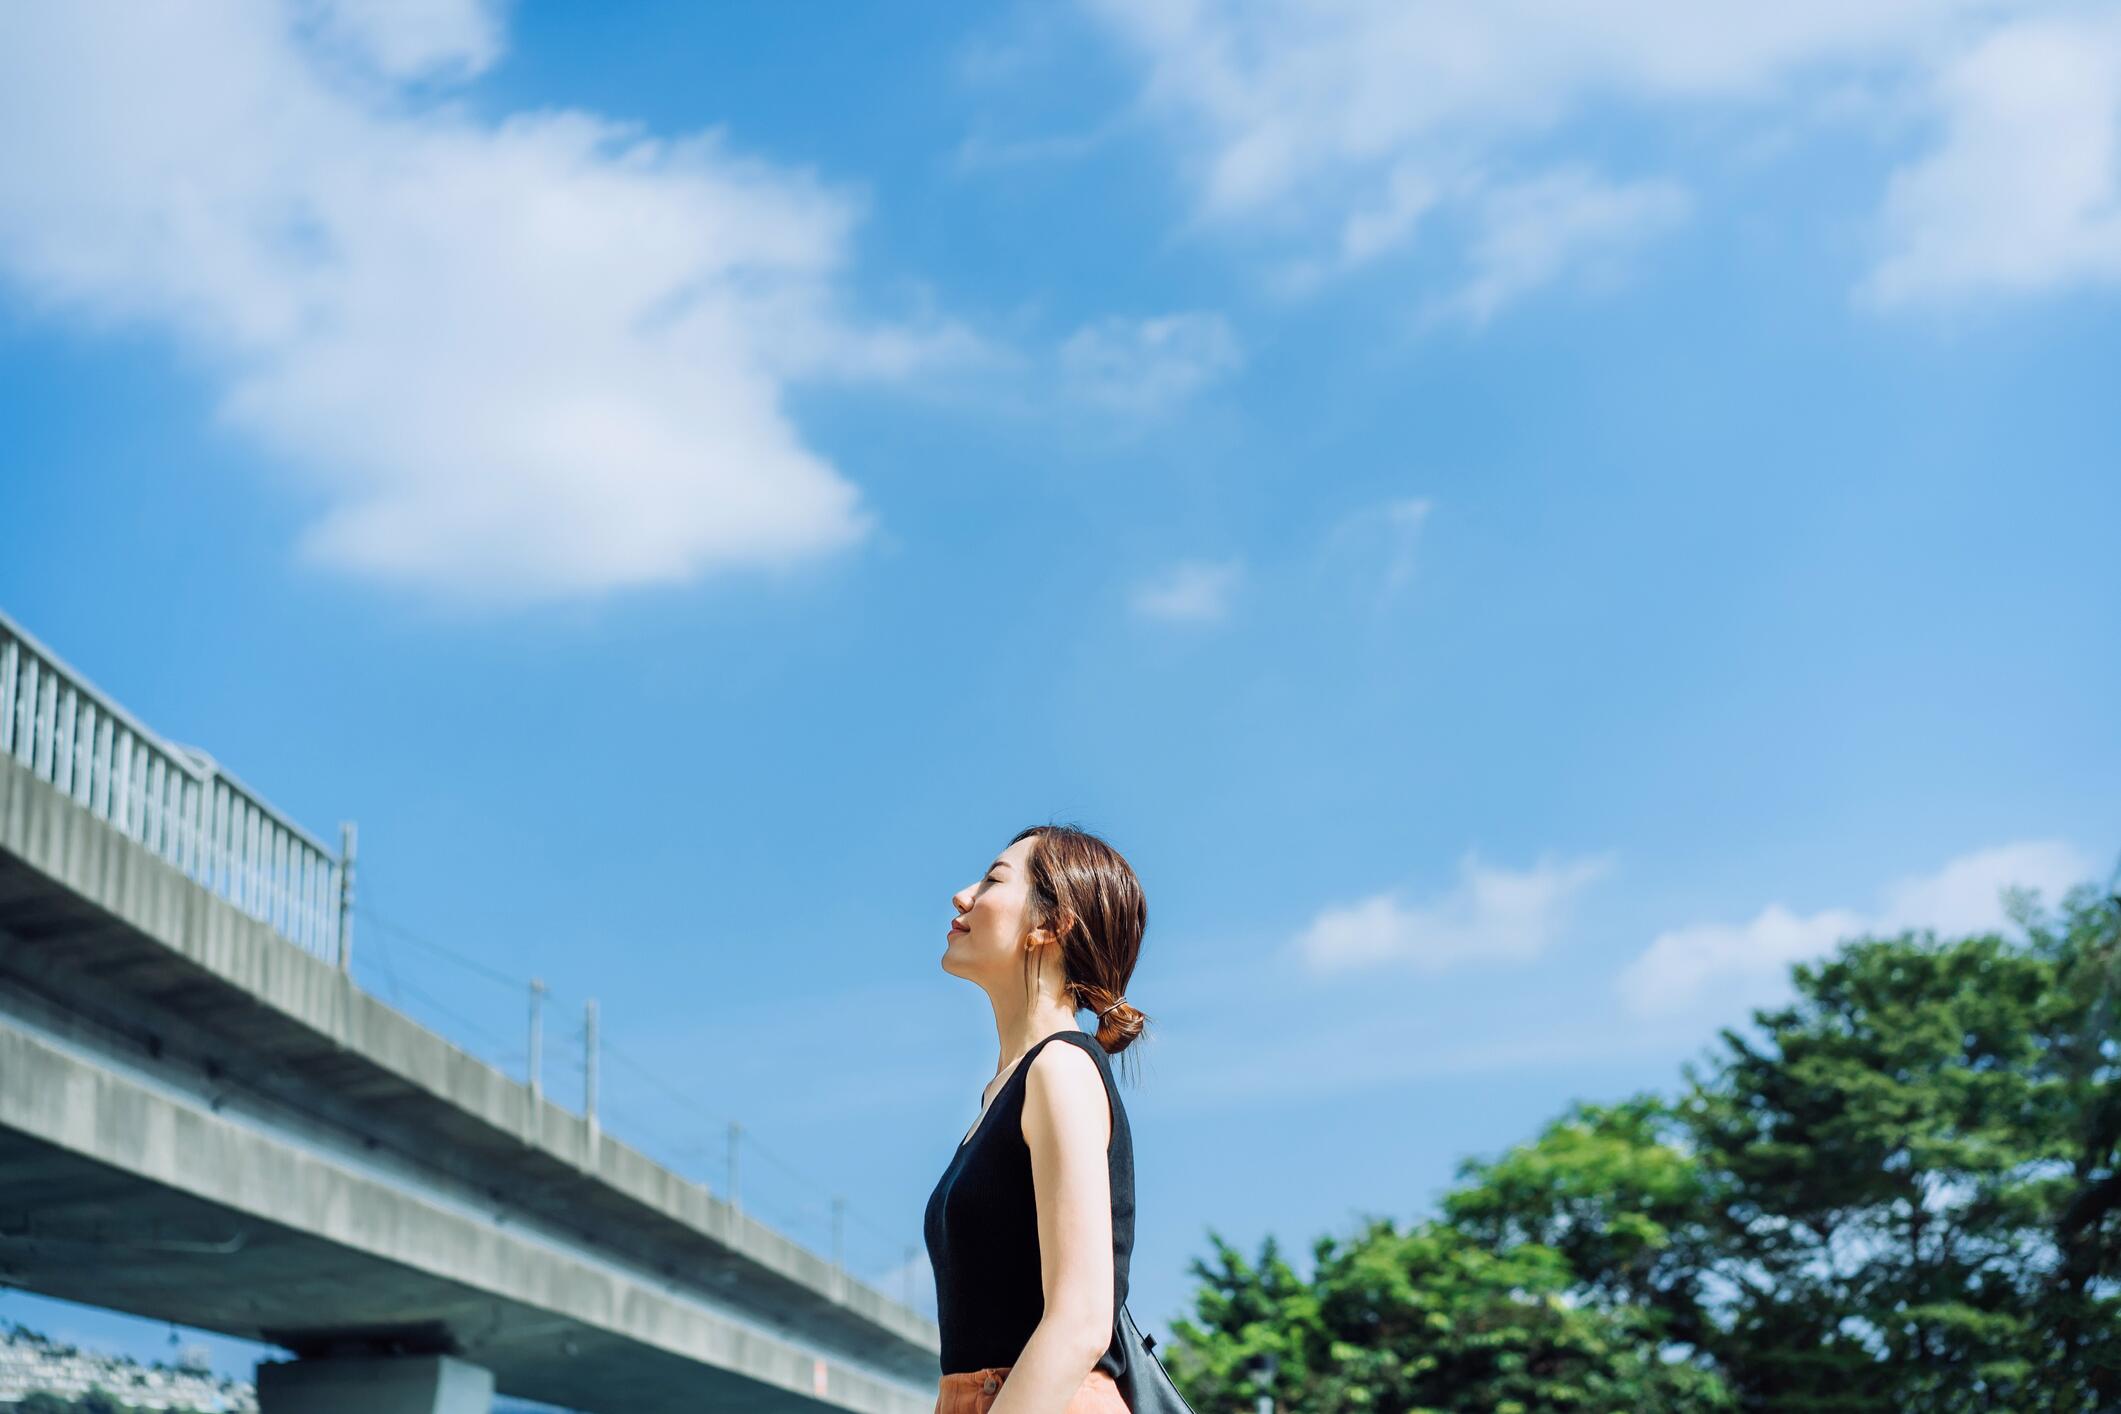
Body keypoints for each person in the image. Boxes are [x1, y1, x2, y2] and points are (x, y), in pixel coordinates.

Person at [924, 824, 1147, 1413]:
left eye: (993, 880)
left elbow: (1080, 1320)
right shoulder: (1007, 1089)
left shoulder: (1060, 1069)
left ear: (1052, 924)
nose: (962, 895)